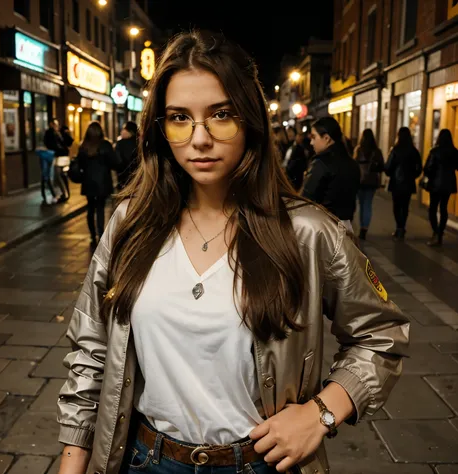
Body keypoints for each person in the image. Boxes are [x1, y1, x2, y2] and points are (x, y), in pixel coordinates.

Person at [56, 31, 408, 474]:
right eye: (179, 118)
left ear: (251, 121)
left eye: (221, 115)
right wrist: (72, 464)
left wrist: (321, 412)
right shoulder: (130, 223)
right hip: (144, 462)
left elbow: (382, 336)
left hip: (260, 465)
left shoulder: (310, 233)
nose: (199, 138)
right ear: (160, 129)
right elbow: (91, 349)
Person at [301, 117, 361, 232]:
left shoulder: (321, 164)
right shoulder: (352, 163)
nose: (311, 142)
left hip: (324, 226)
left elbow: (306, 198)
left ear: (327, 138)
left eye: (314, 137)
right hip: (346, 226)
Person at [75, 121, 120, 249]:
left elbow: (81, 165)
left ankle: (92, 235)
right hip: (103, 181)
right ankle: (100, 234)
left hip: (88, 181)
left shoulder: (83, 146)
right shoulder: (105, 145)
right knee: (100, 208)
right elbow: (114, 163)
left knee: (90, 208)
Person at [384, 127, 423, 241]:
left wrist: (391, 173)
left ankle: (399, 227)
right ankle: (402, 227)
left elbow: (388, 167)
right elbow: (419, 168)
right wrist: (413, 176)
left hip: (396, 182)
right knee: (405, 206)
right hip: (408, 182)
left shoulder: (395, 150)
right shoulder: (414, 151)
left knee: (396, 205)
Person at [423, 129, 458, 246]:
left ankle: (436, 232)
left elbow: (428, 168)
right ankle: (440, 233)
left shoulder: (434, 151)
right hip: (448, 184)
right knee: (444, 208)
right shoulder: (454, 152)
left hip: (435, 184)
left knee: (433, 208)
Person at [353, 128, 385, 240]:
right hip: (371, 181)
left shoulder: (358, 150)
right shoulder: (376, 151)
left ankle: (361, 226)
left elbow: (354, 165)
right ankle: (364, 228)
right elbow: (382, 166)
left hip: (360, 181)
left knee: (361, 204)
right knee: (367, 205)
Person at [44, 118, 67, 202]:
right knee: (54, 175)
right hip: (53, 156)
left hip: (59, 157)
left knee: (58, 175)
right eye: (54, 124)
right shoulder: (50, 133)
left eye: (56, 124)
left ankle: (62, 193)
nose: (55, 126)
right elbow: (49, 144)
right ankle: (59, 194)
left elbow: (64, 143)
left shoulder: (58, 133)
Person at [115, 121, 139, 190]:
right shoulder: (139, 143)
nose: (121, 132)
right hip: (137, 180)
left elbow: (118, 162)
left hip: (123, 180)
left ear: (129, 132)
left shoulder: (120, 144)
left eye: (123, 129)